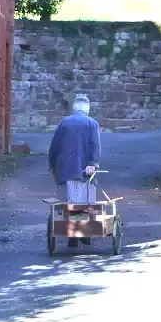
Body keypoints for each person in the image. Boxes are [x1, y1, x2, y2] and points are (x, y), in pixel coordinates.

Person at [48, 94, 102, 248]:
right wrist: (93, 163)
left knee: (69, 201)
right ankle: (82, 233)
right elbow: (95, 145)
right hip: (86, 171)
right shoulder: (92, 123)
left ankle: (73, 234)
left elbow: (54, 147)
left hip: (65, 170)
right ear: (87, 109)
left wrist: (52, 166)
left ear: (74, 108)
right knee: (85, 202)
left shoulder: (64, 123)